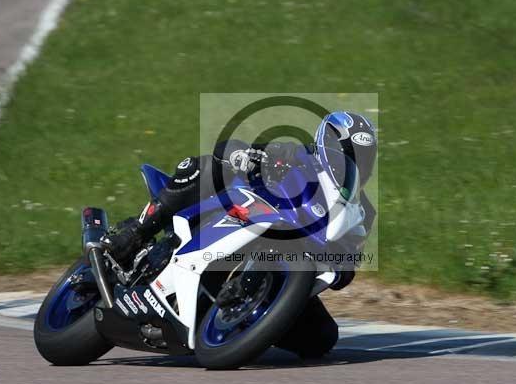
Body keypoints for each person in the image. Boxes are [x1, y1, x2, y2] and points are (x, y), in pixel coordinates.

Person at [101, 111, 377, 301]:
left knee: (321, 339)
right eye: (347, 154)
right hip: (245, 214)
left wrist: (341, 267)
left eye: (363, 158)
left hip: (287, 264)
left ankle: (244, 323)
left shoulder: (362, 212)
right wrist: (245, 156)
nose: (354, 164)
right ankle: (136, 233)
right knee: (205, 167)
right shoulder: (296, 153)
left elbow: (348, 267)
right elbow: (231, 148)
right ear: (325, 144)